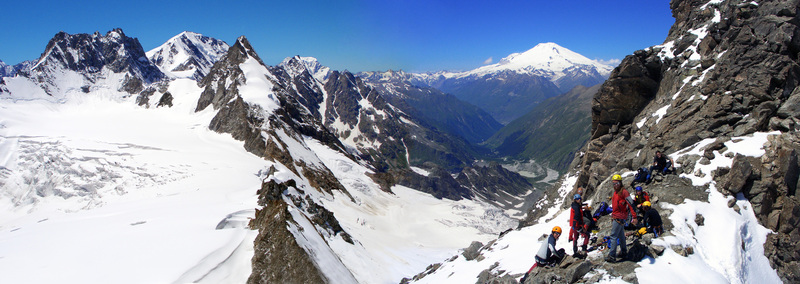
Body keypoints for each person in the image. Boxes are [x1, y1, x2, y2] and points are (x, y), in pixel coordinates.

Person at [606, 174, 637, 263]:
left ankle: (612, 256)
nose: (615, 185)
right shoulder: (616, 192)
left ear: (620, 183)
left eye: (617, 183)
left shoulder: (624, 192)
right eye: (614, 183)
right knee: (621, 235)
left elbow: (631, 204)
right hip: (618, 216)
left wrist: (634, 217)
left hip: (619, 217)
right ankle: (624, 252)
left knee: (613, 236)